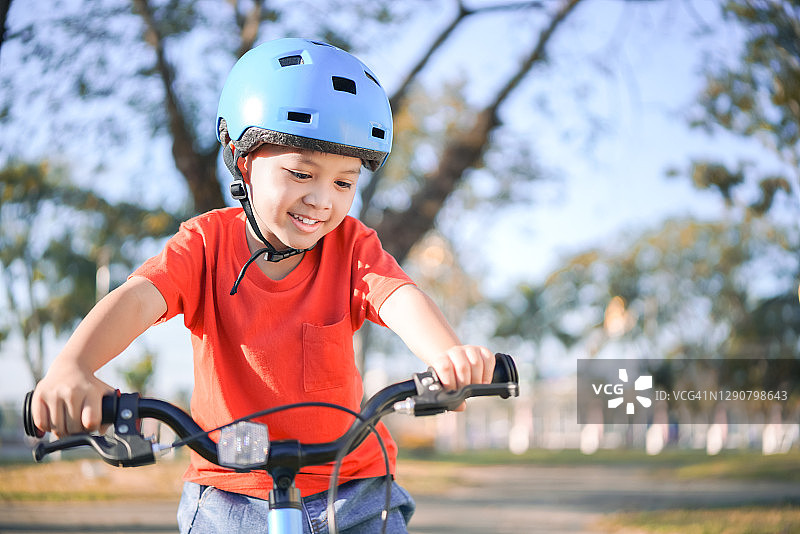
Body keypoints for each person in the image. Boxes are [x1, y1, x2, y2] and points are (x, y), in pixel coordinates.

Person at [30, 38, 495, 533]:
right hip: (228, 491)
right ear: (242, 158)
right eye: (301, 173)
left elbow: (398, 296)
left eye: (344, 183)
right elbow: (139, 298)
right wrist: (73, 366)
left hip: (350, 487)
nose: (322, 201)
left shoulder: (352, 246)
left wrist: (448, 354)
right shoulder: (205, 245)